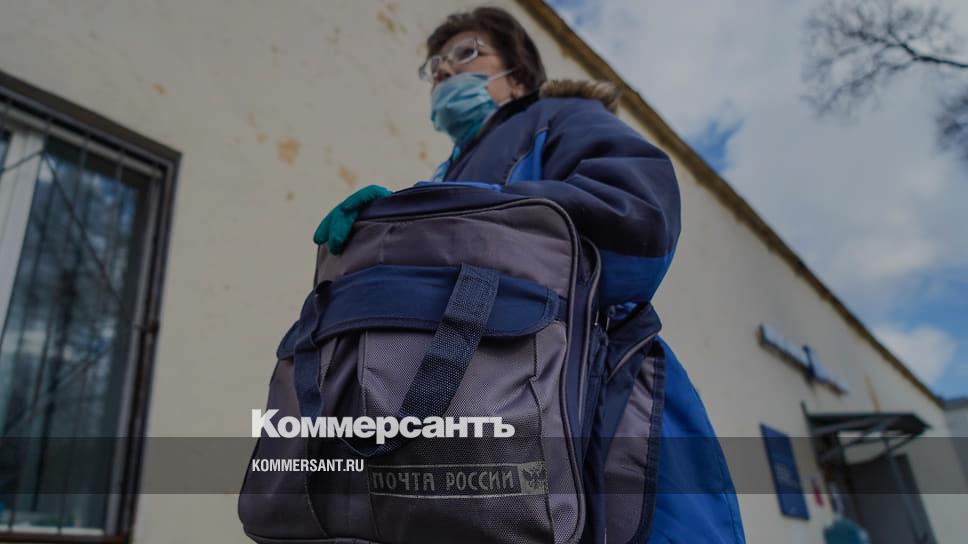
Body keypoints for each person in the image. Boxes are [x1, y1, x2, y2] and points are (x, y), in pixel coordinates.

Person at [315, 6, 745, 543]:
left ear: (517, 75)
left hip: (602, 425)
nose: (444, 69)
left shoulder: (559, 116)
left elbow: (639, 218)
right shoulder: (449, 171)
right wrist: (387, 236)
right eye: (435, 66)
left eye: (466, 53)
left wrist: (453, 212)